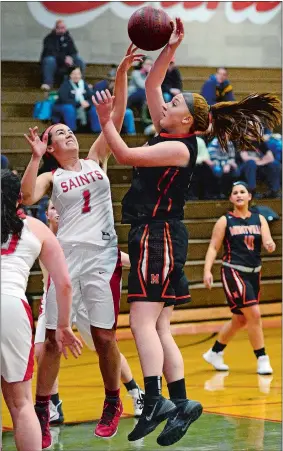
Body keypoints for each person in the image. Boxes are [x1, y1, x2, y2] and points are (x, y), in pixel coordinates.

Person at [92, 18, 281, 446]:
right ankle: (180, 403)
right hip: (163, 235)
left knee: (140, 322)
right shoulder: (174, 132)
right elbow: (155, 78)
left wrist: (105, 120)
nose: (166, 102)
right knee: (159, 328)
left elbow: (122, 154)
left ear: (186, 121)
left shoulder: (178, 147)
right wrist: (170, 49)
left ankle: (156, 399)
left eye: (173, 102)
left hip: (156, 235)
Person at [21, 45, 143, 448]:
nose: (68, 134)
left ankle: (113, 401)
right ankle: (42, 408)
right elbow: (24, 197)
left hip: (103, 258)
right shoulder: (52, 178)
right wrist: (36, 159)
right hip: (66, 261)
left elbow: (119, 112)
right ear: (51, 146)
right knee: (54, 340)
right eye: (59, 134)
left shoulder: (95, 160)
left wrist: (122, 70)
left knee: (107, 338)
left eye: (69, 130)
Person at [34, 200, 144, 424]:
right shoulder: (41, 237)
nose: (57, 211)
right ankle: (53, 405)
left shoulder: (81, 233)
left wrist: (139, 262)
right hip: (55, 297)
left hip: (84, 299)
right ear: (46, 214)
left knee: (104, 348)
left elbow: (111, 254)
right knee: (41, 350)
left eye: (60, 206)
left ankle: (135, 391)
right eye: (53, 208)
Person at [1, 169, 82, 451]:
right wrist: (62, 325)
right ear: (19, 198)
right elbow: (64, 284)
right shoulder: (36, 227)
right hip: (12, 306)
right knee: (21, 403)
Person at [202, 181, 275, 375]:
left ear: (249, 196)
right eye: (235, 192)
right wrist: (207, 270)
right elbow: (213, 247)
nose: (239, 195)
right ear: (231, 198)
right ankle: (262, 358)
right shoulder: (225, 220)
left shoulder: (260, 219)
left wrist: (269, 245)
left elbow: (268, 240)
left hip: (254, 272)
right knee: (254, 314)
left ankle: (215, 352)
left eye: (243, 191)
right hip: (233, 271)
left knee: (241, 319)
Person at [52, 66, 101, 133]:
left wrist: (88, 103)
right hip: (62, 106)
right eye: (74, 74)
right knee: (69, 108)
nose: (76, 76)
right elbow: (64, 99)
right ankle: (72, 131)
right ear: (70, 75)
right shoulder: (65, 85)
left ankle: (97, 131)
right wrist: (80, 103)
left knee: (93, 108)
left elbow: (92, 96)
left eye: (78, 74)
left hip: (81, 105)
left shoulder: (84, 84)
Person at [40, 19, 86, 91]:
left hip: (66, 64)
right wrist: (64, 58)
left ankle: (80, 83)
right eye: (59, 28)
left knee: (79, 60)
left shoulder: (68, 38)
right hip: (54, 63)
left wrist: (70, 58)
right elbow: (51, 52)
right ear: (56, 28)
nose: (61, 30)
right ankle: (48, 83)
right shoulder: (49, 38)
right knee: (49, 60)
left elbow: (73, 51)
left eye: (63, 28)